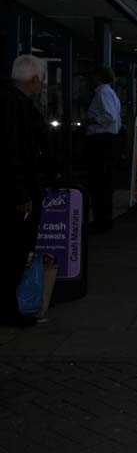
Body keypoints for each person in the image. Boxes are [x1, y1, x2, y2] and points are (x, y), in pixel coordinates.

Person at [0, 55, 47, 328]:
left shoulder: (14, 101)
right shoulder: (12, 104)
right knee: (13, 251)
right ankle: (7, 311)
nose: (42, 84)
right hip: (16, 193)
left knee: (13, 251)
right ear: (34, 79)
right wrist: (21, 194)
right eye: (41, 78)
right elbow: (11, 152)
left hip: (18, 188)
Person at [84, 66, 121, 233]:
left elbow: (110, 117)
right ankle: (103, 220)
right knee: (104, 182)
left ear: (98, 77)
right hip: (107, 141)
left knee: (100, 182)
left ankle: (101, 221)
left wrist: (92, 120)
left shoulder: (102, 93)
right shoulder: (110, 92)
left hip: (101, 141)